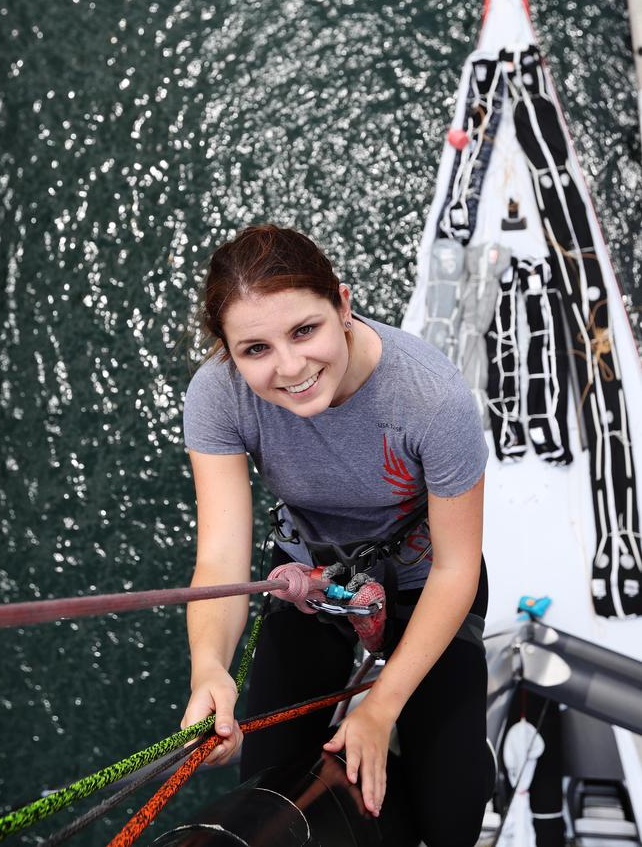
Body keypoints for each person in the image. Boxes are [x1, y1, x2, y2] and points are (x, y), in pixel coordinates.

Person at [181, 223, 493, 847]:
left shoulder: (430, 401)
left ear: (343, 306)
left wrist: (380, 709)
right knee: (268, 788)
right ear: (228, 353)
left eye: (305, 330)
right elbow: (220, 554)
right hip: (310, 582)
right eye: (255, 349)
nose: (291, 367)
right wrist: (208, 666)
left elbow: (458, 566)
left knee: (453, 812)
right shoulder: (217, 397)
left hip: (422, 580)